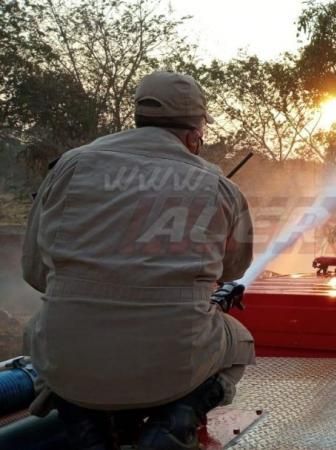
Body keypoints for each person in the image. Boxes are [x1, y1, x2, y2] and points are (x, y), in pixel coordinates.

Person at [21, 71, 255, 450]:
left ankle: (86, 428)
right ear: (196, 131)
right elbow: (232, 270)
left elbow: (35, 272)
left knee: (48, 332)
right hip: (173, 370)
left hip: (70, 365)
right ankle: (173, 423)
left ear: (138, 117)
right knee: (240, 342)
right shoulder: (219, 186)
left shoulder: (70, 166)